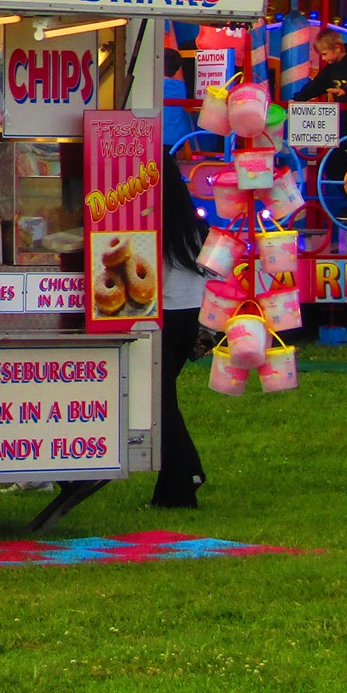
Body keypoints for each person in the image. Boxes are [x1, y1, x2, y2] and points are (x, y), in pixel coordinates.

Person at [152, 151, 211, 509]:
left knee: (160, 403)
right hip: (191, 316)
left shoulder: (149, 218)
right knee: (163, 400)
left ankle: (189, 471)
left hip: (163, 314)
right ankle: (173, 485)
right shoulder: (192, 222)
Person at [291, 29, 347, 226]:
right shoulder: (332, 69)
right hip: (342, 123)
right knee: (333, 167)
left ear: (337, 48)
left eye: (326, 54)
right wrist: (298, 98)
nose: (324, 58)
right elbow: (318, 84)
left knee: (341, 168)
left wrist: (345, 92)